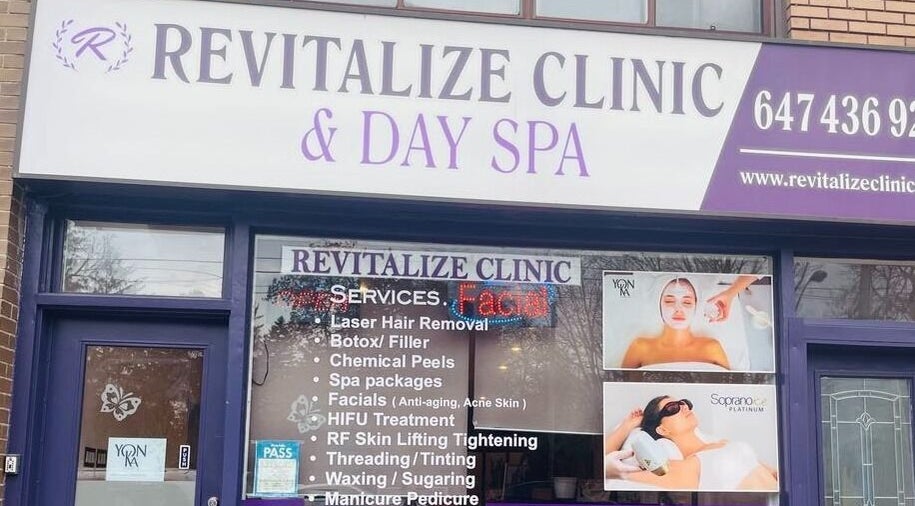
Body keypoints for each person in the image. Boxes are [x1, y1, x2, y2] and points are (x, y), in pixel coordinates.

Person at [604, 396, 778, 491]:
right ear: (662, 430)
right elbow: (608, 468)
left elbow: (774, 474)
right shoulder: (689, 465)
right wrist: (627, 426)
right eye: (673, 408)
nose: (684, 407)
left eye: (684, 403)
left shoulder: (722, 443)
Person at [620, 277, 730, 369]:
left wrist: (731, 293)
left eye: (687, 302)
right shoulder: (640, 347)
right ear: (659, 305)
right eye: (669, 301)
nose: (678, 309)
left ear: (696, 306)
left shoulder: (711, 348)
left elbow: (731, 385)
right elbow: (620, 385)